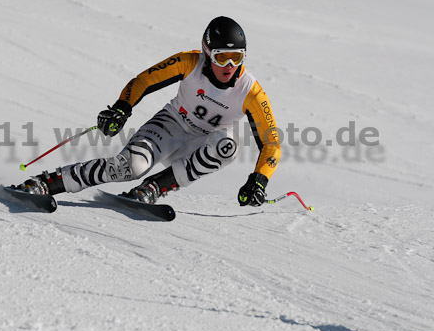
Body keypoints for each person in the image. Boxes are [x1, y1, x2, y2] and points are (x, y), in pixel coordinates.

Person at [17, 16, 281, 207]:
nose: (231, 65)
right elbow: (144, 80)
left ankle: (155, 187)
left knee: (227, 147)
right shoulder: (189, 62)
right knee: (128, 168)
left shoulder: (251, 93)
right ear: (208, 52)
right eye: (223, 57)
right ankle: (46, 183)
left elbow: (272, 143)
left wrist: (259, 180)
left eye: (238, 57)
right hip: (170, 126)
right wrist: (122, 108)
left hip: (204, 141)